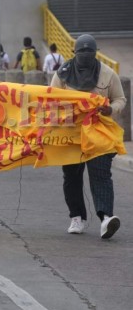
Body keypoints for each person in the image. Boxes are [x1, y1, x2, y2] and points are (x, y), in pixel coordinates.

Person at [51, 34, 126, 239]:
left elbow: (120, 98)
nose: (85, 56)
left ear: (96, 53)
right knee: (72, 177)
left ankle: (106, 219)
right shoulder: (62, 74)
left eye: (89, 52)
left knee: (100, 174)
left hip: (99, 133)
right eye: (81, 52)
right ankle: (77, 218)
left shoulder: (108, 74)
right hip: (71, 134)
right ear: (74, 53)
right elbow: (51, 99)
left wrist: (110, 109)